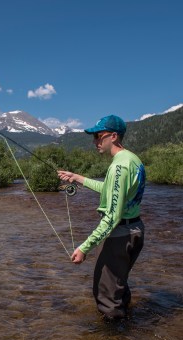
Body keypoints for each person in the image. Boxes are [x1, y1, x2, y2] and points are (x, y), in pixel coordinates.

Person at [57, 115, 145, 321]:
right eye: (94, 137)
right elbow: (110, 189)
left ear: (113, 136)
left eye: (98, 136)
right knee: (118, 285)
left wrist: (84, 248)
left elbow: (112, 217)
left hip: (119, 236)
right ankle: (127, 324)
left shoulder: (118, 167)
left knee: (105, 295)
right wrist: (77, 178)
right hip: (135, 230)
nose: (95, 141)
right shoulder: (132, 160)